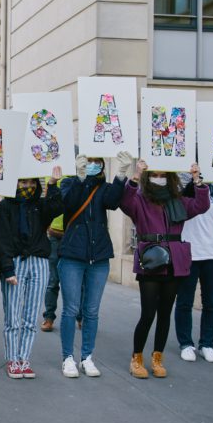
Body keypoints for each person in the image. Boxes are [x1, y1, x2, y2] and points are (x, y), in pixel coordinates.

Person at [120, 161, 209, 379]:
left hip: (175, 260)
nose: (158, 177)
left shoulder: (177, 200)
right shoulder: (140, 199)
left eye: (162, 174)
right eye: (154, 174)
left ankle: (157, 357)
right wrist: (135, 176)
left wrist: (197, 179)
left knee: (165, 313)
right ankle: (137, 357)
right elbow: (125, 203)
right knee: (148, 313)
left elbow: (201, 205)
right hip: (151, 259)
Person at [56, 152, 132, 378]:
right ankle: (67, 357)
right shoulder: (69, 182)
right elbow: (69, 204)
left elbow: (113, 203)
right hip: (72, 256)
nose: (92, 165)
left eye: (97, 162)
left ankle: (87, 356)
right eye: (88, 161)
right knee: (71, 309)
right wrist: (80, 178)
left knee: (91, 311)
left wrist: (120, 175)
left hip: (98, 257)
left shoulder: (105, 187)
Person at [0, 173, 63, 379]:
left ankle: (24, 358)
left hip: (39, 262)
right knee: (13, 315)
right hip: (15, 262)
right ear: (14, 183)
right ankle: (12, 359)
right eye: (23, 181)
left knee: (31, 316)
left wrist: (52, 185)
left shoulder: (39, 205)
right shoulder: (5, 206)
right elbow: (2, 239)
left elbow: (56, 208)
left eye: (32, 182)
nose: (28, 186)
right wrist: (7, 269)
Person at [175, 175, 213, 363]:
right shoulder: (179, 191)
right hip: (188, 253)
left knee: (211, 303)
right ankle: (186, 343)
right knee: (184, 301)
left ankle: (207, 344)